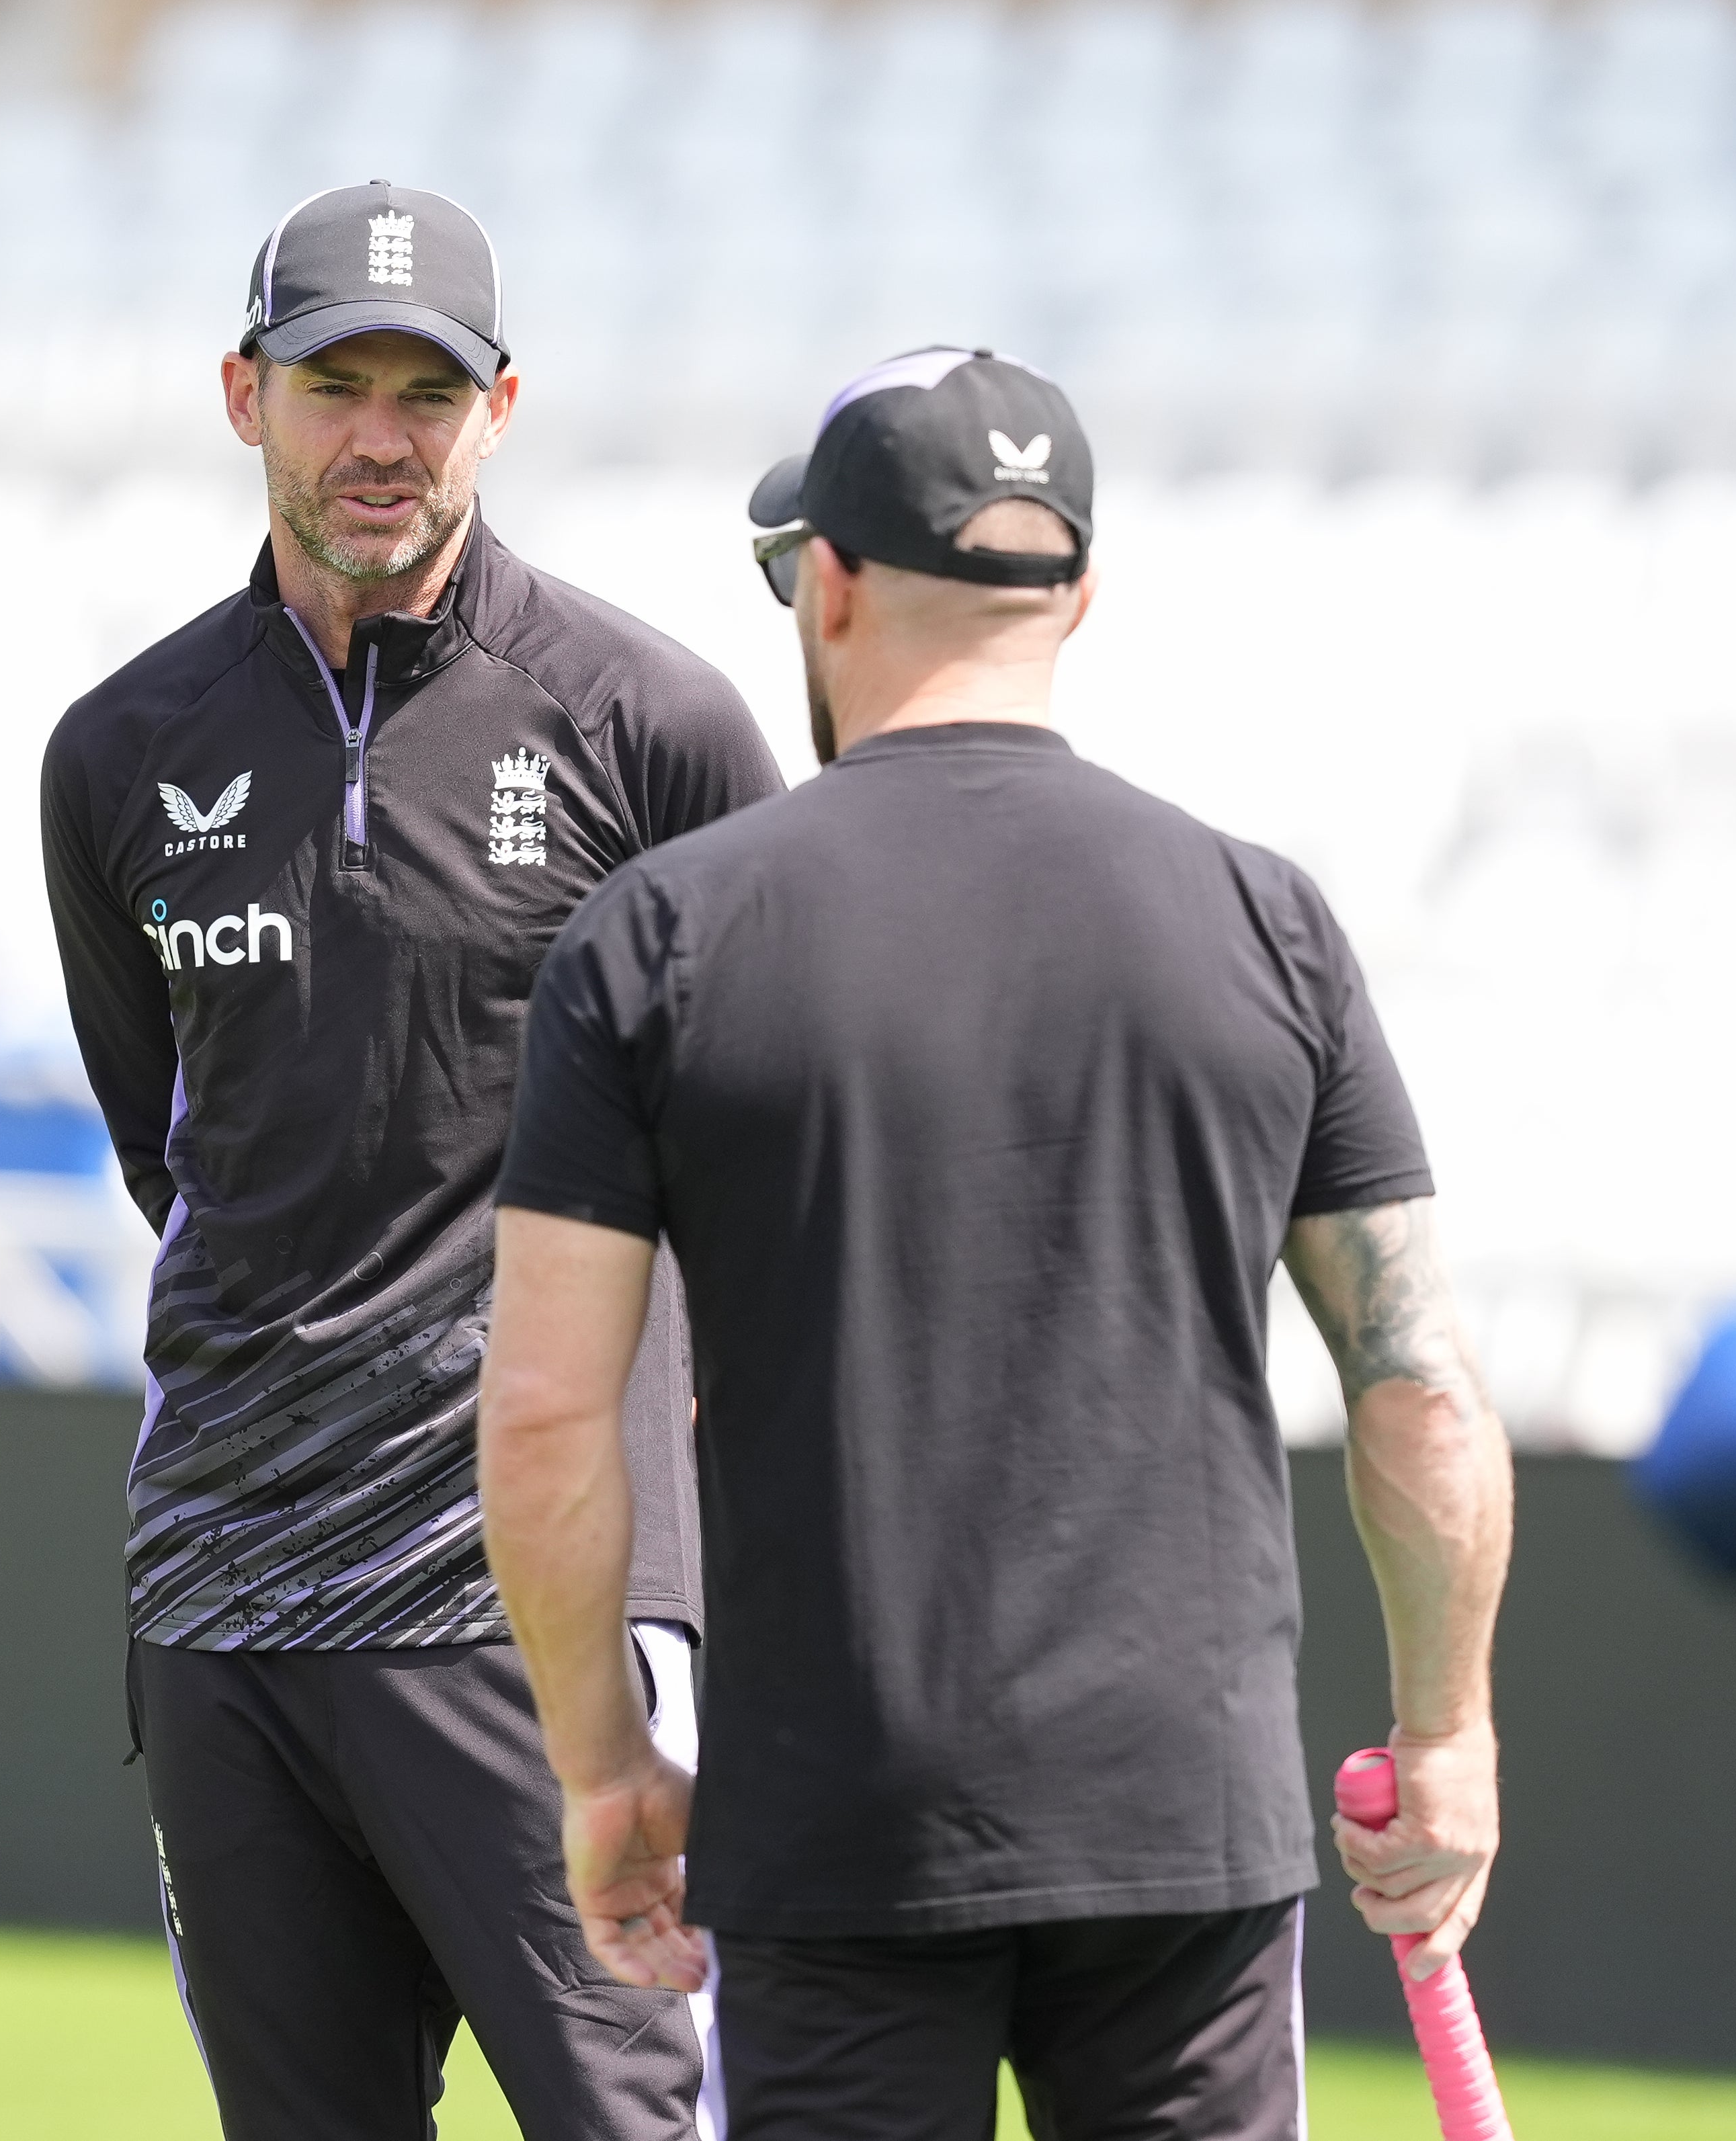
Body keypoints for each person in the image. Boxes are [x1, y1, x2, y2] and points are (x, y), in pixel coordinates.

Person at [478, 346, 1516, 2140]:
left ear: (830, 581)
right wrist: (1446, 1730)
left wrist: (600, 1766)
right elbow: (1415, 1375)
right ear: (1081, 591)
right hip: (1179, 1819)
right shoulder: (1265, 923)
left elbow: (547, 1415)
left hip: (835, 1824)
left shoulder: (659, 937)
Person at [40, 181, 786, 2140]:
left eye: (425, 392)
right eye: (331, 383)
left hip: (537, 1607)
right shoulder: (116, 755)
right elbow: (169, 1146)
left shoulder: (655, 727)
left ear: (501, 408)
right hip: (220, 1596)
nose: (379, 435)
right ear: (241, 394)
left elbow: (770, 1153)